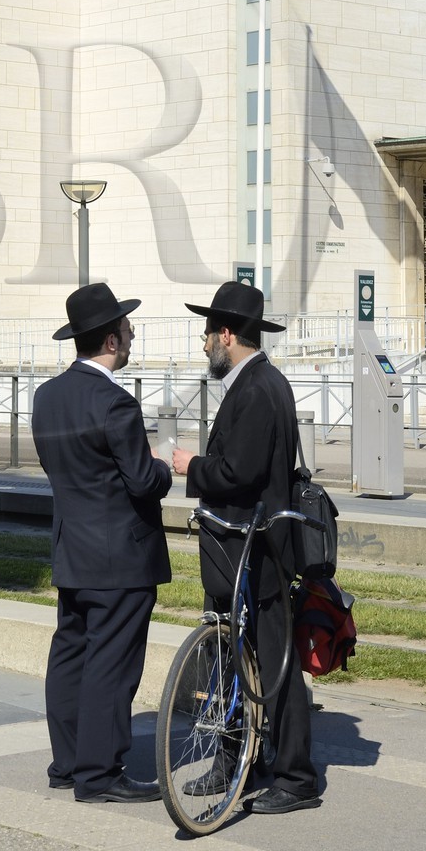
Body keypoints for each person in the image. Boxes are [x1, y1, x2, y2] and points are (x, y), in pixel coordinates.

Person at [172, 281, 320, 814]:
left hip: (257, 549)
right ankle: (237, 759)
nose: (204, 344)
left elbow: (241, 472)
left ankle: (296, 777)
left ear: (227, 335)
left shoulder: (257, 388)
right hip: (242, 545)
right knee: (237, 658)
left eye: (207, 334)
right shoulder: (258, 381)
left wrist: (192, 466)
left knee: (276, 662)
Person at [32, 283, 172, 803]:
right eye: (128, 330)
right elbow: (143, 481)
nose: (132, 336)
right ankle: (99, 773)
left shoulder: (47, 397)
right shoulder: (116, 402)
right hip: (121, 558)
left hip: (72, 548)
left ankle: (68, 763)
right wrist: (163, 466)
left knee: (70, 655)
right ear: (111, 341)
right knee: (112, 665)